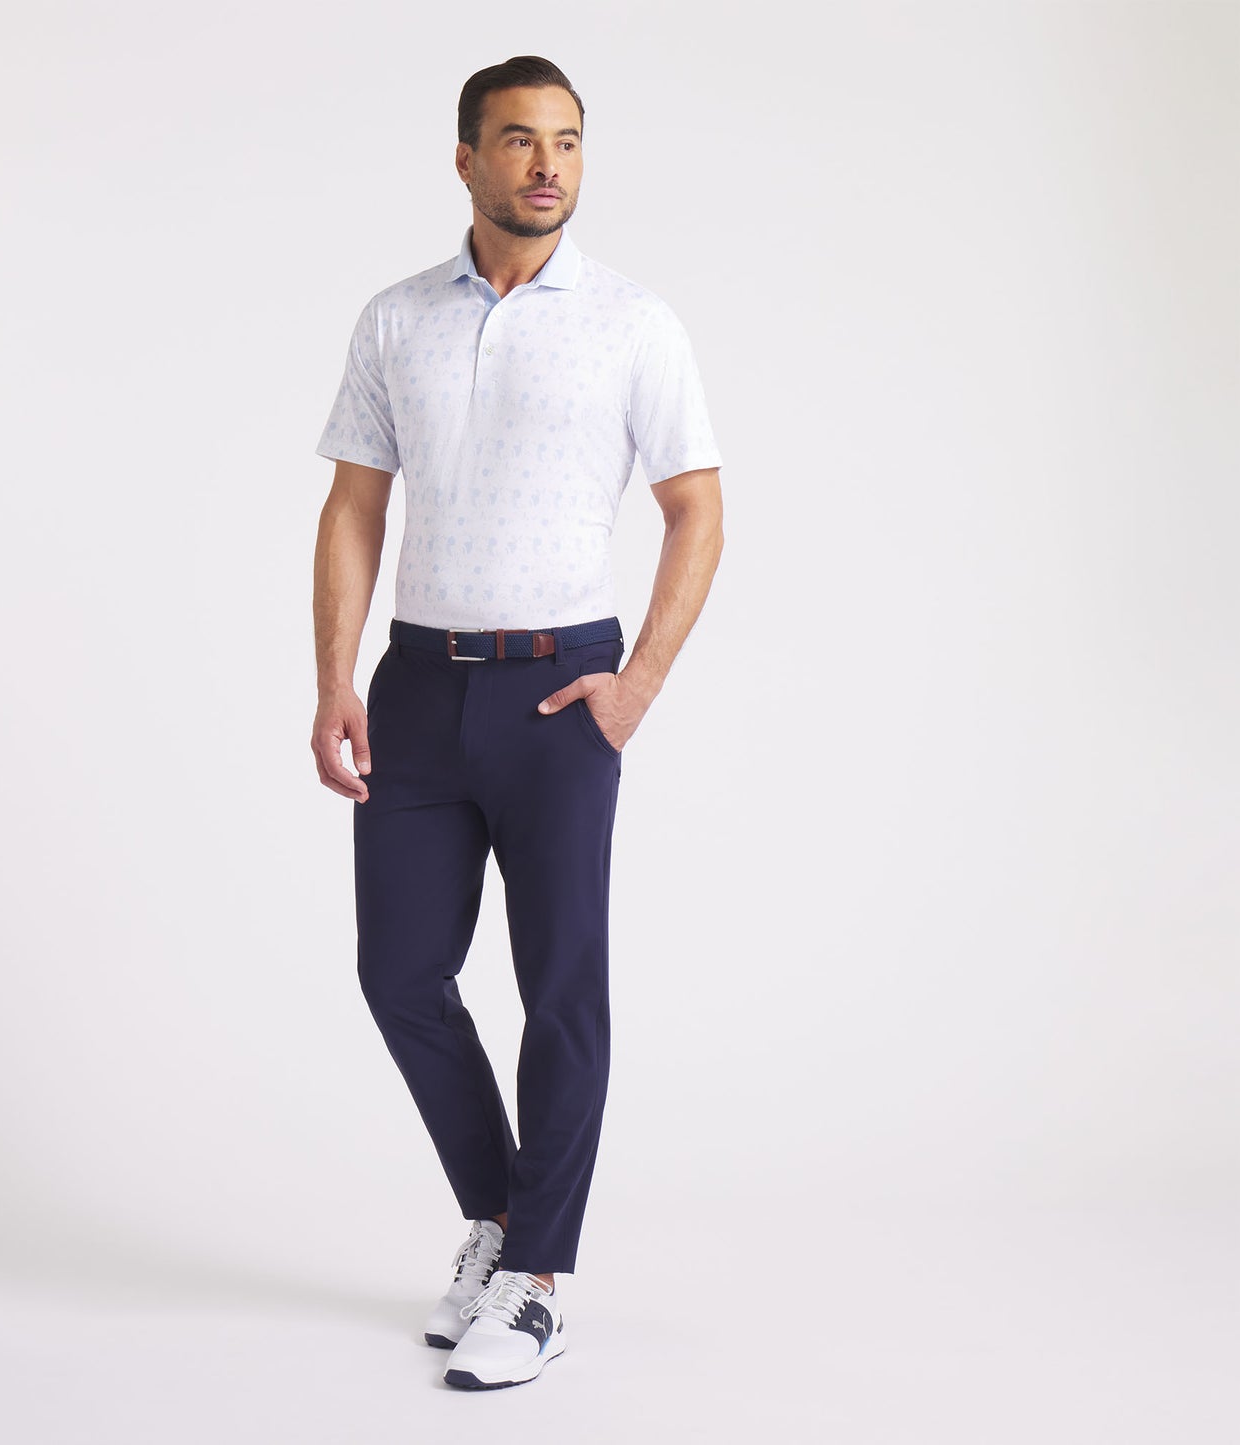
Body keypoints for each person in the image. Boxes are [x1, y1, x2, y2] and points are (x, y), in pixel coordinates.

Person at [310, 54, 724, 1390]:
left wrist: (636, 684)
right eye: (519, 140)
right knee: (399, 973)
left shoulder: (632, 322)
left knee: (559, 988)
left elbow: (697, 508)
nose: (547, 164)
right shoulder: (395, 320)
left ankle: (536, 1279)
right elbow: (354, 507)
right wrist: (334, 679)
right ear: (465, 159)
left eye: (567, 141)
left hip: (561, 691)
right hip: (418, 684)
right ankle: (503, 1222)